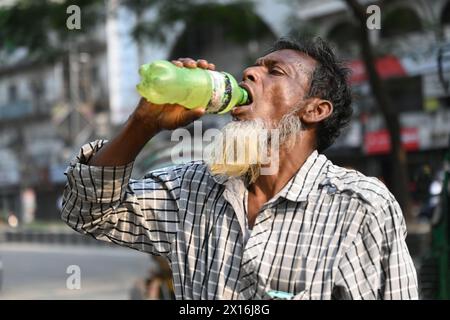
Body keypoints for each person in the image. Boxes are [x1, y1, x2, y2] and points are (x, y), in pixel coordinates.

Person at [61, 37, 418, 300]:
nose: (248, 72)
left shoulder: (358, 207)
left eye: (274, 71)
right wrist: (142, 124)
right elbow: (89, 213)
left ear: (314, 110)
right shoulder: (194, 187)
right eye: (254, 66)